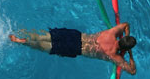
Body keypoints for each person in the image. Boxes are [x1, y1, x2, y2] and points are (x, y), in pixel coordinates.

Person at [9, 23, 137, 75]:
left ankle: (18, 32)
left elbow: (126, 24)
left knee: (43, 37)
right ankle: (21, 42)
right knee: (43, 47)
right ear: (125, 48)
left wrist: (126, 36)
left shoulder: (111, 33)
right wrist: (129, 54)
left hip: (76, 35)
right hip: (75, 48)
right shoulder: (114, 55)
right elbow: (132, 71)